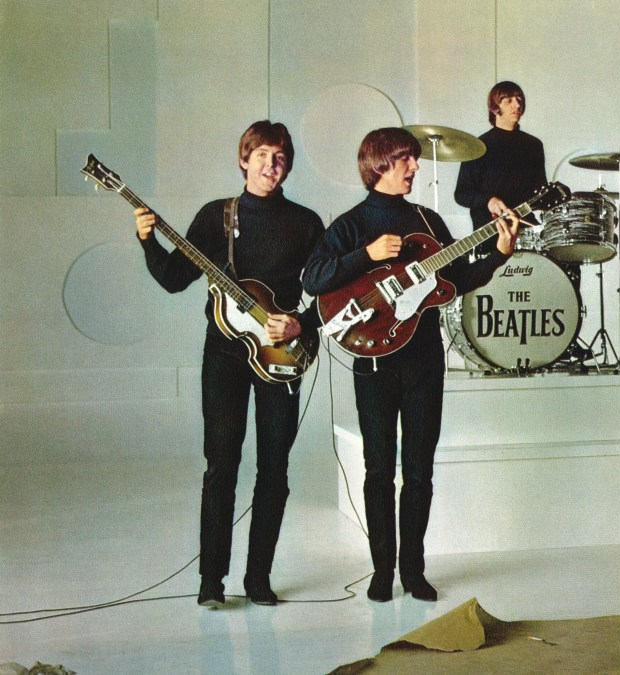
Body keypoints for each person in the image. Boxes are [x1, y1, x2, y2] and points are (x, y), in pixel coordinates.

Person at [302, 127, 520, 602]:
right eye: (407, 160)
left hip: (423, 359)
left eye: (415, 161)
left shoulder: (429, 219)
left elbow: (456, 279)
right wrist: (367, 254)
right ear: (380, 163)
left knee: (419, 469)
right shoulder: (350, 223)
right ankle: (382, 571)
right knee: (379, 469)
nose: (415, 168)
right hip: (373, 361)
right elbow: (314, 277)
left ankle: (413, 570)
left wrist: (500, 253)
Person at [133, 121, 324, 607]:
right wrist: (147, 241)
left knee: (275, 469)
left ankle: (258, 579)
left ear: (288, 164)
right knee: (222, 465)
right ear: (244, 159)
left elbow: (328, 293)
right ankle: (211, 582)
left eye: (279, 156)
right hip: (224, 355)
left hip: (280, 355)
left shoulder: (305, 222)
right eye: (261, 154)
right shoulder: (216, 217)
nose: (270, 165)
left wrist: (300, 324)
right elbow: (175, 279)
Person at [455, 80, 546, 256]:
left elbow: (540, 191)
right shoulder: (478, 146)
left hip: (525, 227)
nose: (517, 105)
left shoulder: (533, 145)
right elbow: (462, 194)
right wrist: (489, 201)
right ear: (495, 107)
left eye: (519, 100)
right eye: (509, 101)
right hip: (489, 233)